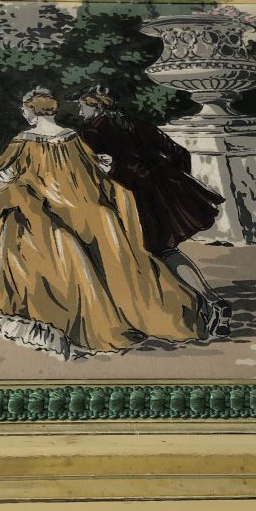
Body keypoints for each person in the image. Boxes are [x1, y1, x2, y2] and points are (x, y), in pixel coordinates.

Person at [0, 87, 208, 359]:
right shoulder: (72, 137)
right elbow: (95, 171)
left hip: (48, 209)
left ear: (31, 112)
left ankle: (45, 314)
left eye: (25, 110)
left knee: (15, 222)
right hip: (85, 209)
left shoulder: (23, 141)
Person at [74, 84, 231, 335]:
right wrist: (170, 185)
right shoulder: (138, 125)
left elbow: (91, 172)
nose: (80, 112)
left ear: (95, 107)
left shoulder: (91, 132)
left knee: (128, 252)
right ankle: (208, 302)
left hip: (126, 199)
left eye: (82, 106)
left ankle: (195, 305)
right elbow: (179, 153)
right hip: (158, 196)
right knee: (165, 251)